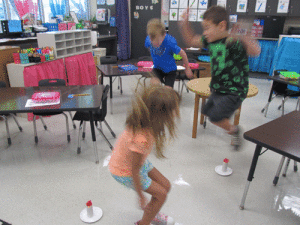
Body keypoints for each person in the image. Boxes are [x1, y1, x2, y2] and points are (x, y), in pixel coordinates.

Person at [179, 6, 261, 150]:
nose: (204, 32)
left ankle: (234, 130)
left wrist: (243, 38)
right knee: (205, 111)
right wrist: (184, 24)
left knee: (215, 117)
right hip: (218, 87)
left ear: (222, 25)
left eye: (207, 28)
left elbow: (255, 52)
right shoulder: (211, 40)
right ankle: (230, 124)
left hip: (234, 89)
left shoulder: (234, 42)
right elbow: (191, 40)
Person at [109, 85, 181, 225]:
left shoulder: (149, 120)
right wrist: (141, 196)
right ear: (161, 113)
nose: (177, 112)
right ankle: (144, 223)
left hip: (135, 162)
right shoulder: (141, 139)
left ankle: (152, 213)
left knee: (165, 186)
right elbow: (134, 170)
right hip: (124, 171)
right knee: (161, 194)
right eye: (174, 109)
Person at [145, 18, 193, 88]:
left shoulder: (170, 42)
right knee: (154, 86)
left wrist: (187, 69)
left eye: (158, 42)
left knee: (168, 92)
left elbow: (183, 54)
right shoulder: (148, 40)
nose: (156, 44)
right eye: (153, 42)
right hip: (157, 68)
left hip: (170, 70)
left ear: (164, 35)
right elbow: (149, 49)